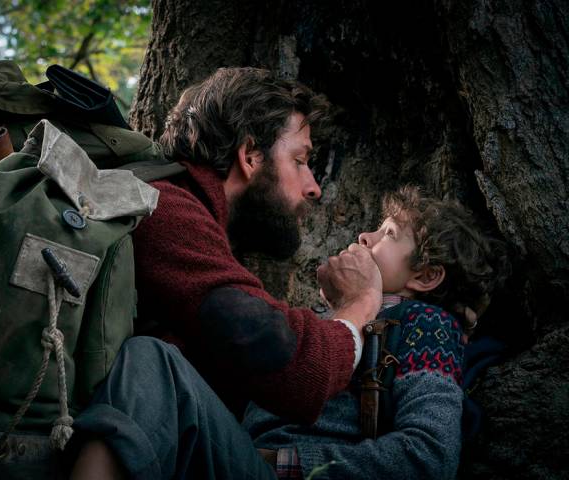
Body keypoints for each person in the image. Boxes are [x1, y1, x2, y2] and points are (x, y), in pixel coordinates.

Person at [68, 67, 383, 478]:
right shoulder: (165, 211)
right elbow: (297, 366)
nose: (313, 187)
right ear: (250, 156)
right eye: (300, 161)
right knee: (151, 362)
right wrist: (359, 305)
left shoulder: (197, 224)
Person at [242, 185, 510, 479]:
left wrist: (284, 465)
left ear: (426, 276)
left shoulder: (426, 324)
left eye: (389, 233)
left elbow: (428, 456)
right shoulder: (336, 317)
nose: (364, 237)